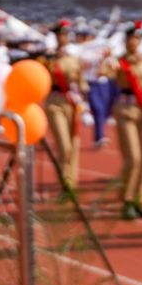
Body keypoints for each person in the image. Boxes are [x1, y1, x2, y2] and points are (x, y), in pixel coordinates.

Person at [110, 22, 142, 220]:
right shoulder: (119, 61)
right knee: (134, 158)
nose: (134, 42)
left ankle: (140, 199)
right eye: (131, 38)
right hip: (127, 108)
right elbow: (105, 72)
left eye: (137, 38)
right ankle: (127, 199)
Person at [44, 20, 87, 190]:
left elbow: (81, 81)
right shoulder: (48, 58)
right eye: (59, 35)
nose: (62, 38)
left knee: (74, 146)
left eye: (65, 34)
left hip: (72, 103)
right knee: (64, 146)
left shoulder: (74, 58)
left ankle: (70, 184)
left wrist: (83, 91)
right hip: (54, 102)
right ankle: (65, 183)